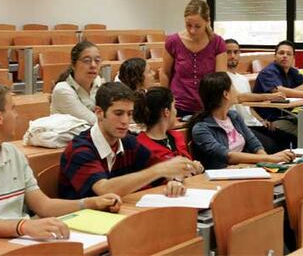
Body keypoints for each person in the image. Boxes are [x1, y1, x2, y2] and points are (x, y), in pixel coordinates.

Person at [0, 83, 121, 240]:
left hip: (20, 240)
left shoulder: (14, 154)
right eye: (13, 109)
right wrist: (23, 227)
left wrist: (90, 203)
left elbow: (44, 206)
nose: (16, 115)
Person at [59, 82, 199, 199]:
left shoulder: (129, 142)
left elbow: (161, 171)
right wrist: (160, 170)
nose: (125, 121)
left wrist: (173, 181)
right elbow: (104, 190)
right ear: (99, 113)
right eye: (118, 113)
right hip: (80, 223)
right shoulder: (80, 148)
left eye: (129, 114)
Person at [187, 72, 295, 169]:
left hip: (244, 168)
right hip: (222, 174)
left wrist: (267, 162)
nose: (237, 92)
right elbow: (228, 156)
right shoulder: (201, 128)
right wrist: (270, 159)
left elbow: (254, 143)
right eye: (233, 88)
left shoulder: (234, 117)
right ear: (226, 94)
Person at [225, 38, 296, 153]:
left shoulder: (243, 79)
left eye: (236, 52)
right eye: (228, 52)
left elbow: (249, 107)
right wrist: (269, 96)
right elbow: (240, 98)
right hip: (240, 126)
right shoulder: (222, 77)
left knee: (291, 140)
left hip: (255, 123)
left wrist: (262, 120)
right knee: (272, 146)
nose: (233, 56)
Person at [161, 0, 227, 117]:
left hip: (207, 107)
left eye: (197, 26)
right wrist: (165, 102)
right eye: (188, 25)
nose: (192, 30)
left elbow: (220, 79)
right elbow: (165, 73)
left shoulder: (217, 43)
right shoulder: (173, 41)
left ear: (207, 22)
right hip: (178, 106)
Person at [253, 40, 303, 136]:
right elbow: (277, 90)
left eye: (288, 54)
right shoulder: (268, 72)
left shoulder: (292, 71)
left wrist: (288, 92)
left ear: (293, 58)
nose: (285, 56)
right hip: (269, 120)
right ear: (275, 56)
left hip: (287, 115)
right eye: (281, 53)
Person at [133, 87, 203, 170]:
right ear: (166, 112)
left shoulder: (177, 136)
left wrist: (196, 167)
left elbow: (188, 165)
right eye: (174, 107)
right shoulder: (141, 146)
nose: (176, 111)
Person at [51, 41, 103, 125]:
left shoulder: (98, 81)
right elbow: (93, 121)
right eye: (87, 61)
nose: (93, 65)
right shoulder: (62, 90)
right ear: (73, 65)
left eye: (97, 60)